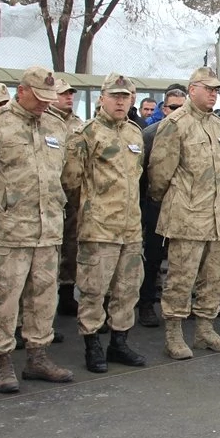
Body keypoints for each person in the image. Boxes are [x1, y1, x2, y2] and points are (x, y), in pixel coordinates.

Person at [0, 65, 75, 393]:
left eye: (50, 97)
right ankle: (1, 361)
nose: (46, 103)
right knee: (5, 297)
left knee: (43, 296)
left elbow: (62, 175)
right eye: (40, 97)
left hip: (48, 228)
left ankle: (37, 357)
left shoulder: (56, 126)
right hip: (9, 231)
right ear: (22, 91)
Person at [146, 68, 220, 358]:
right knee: (181, 279)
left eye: (216, 90)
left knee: (216, 275)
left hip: (217, 217)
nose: (214, 94)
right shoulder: (175, 124)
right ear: (192, 89)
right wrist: (176, 201)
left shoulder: (217, 125)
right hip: (186, 216)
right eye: (208, 88)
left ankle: (204, 330)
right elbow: (159, 173)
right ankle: (174, 334)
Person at [61, 73, 147, 373]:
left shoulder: (136, 134)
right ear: (102, 98)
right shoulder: (86, 134)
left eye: (125, 96)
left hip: (131, 228)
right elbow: (71, 182)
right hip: (99, 228)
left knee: (127, 289)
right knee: (93, 289)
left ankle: (119, 342)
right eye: (115, 96)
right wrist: (91, 209)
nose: (120, 101)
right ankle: (92, 343)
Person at [136, 88, 185, 327]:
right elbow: (141, 173)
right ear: (164, 109)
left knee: (181, 260)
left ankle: (177, 308)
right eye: (173, 107)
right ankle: (146, 304)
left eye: (181, 107)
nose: (177, 112)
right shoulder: (150, 134)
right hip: (155, 204)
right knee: (153, 257)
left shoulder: (190, 131)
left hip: (183, 206)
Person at [48, 80, 83, 318]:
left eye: (71, 94)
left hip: (74, 194)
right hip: (49, 195)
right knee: (48, 248)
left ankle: (67, 293)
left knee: (71, 244)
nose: (68, 98)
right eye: (63, 94)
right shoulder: (45, 122)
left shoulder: (79, 125)